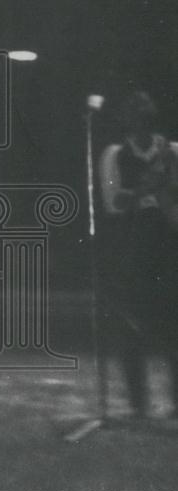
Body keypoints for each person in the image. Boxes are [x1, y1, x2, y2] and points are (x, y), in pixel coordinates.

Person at [98, 90, 178, 419]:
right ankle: (138, 403)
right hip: (132, 245)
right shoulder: (115, 155)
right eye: (132, 110)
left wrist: (160, 193)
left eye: (143, 109)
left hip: (169, 243)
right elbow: (113, 203)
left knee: (174, 322)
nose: (138, 115)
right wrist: (146, 189)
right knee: (132, 324)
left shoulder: (173, 152)